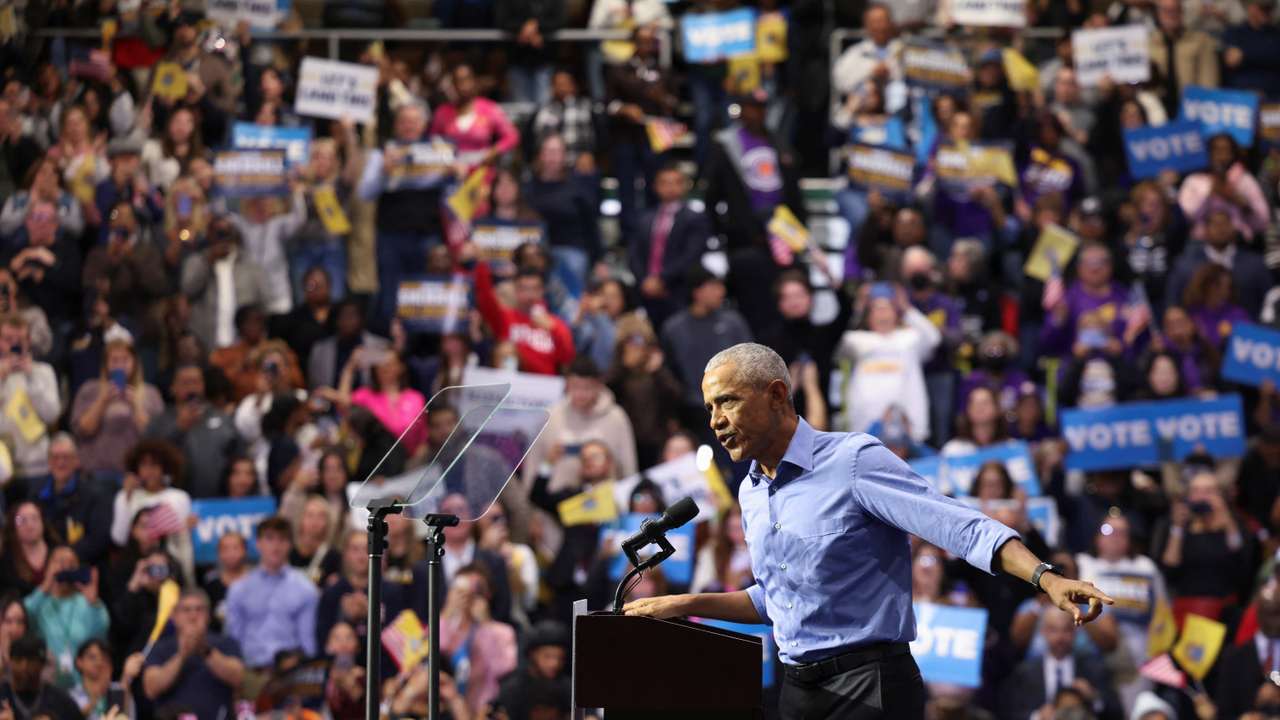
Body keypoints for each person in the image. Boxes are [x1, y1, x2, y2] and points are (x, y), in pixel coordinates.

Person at [623, 343, 1114, 719]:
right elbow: (778, 601)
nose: (715, 422)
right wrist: (682, 605)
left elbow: (959, 527)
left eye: (726, 402)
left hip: (869, 686)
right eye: (710, 408)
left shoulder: (853, 461)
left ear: (775, 395)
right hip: (796, 691)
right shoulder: (752, 491)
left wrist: (1047, 578)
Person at [838, 283, 941, 442]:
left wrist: (907, 308)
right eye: (876, 309)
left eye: (887, 308)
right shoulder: (856, 339)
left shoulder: (910, 338)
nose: (882, 313)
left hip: (908, 423)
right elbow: (837, 344)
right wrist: (858, 309)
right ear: (869, 316)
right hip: (865, 425)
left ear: (896, 314)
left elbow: (934, 338)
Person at [523, 356, 638, 493]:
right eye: (575, 387)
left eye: (587, 388)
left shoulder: (616, 418)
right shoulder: (552, 416)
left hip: (606, 500)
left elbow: (629, 466)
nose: (580, 394)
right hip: (557, 498)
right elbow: (534, 463)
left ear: (599, 385)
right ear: (567, 385)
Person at [659, 268, 753, 431]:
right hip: (693, 413)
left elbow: (751, 363)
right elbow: (669, 372)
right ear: (697, 292)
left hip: (734, 409)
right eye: (714, 286)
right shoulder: (673, 329)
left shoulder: (733, 322)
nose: (721, 292)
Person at [223, 516, 319, 670]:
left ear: (290, 545)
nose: (276, 546)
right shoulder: (239, 589)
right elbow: (233, 640)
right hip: (248, 671)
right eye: (269, 538)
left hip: (291, 671)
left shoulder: (305, 589)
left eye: (282, 539)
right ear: (258, 543)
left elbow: (307, 642)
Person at [626, 164, 710, 330]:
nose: (670, 187)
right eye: (664, 183)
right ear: (656, 187)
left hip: (678, 290)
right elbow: (634, 253)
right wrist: (644, 281)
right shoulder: (644, 218)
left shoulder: (695, 218)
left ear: (684, 185)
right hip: (645, 291)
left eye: (676, 182)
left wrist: (662, 279)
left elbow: (691, 255)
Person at [997, 610, 1122, 720]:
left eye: (1066, 630)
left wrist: (1094, 698)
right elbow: (1007, 712)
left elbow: (1117, 713)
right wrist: (1037, 716)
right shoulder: (1024, 672)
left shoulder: (1094, 669)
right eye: (1053, 630)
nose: (1060, 637)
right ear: (1043, 632)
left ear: (1075, 631)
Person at [142, 588, 244, 720]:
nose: (193, 616)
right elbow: (151, 689)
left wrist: (205, 650)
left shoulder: (225, 643)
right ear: (174, 616)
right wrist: (181, 656)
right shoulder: (161, 647)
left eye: (199, 609)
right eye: (186, 610)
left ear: (208, 615)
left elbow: (238, 678)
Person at [144, 363, 241, 499]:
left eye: (196, 382)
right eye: (185, 383)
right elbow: (148, 457)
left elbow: (238, 455)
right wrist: (179, 429)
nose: (192, 388)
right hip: (172, 501)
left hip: (217, 501)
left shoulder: (222, 418)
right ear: (173, 388)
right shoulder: (159, 421)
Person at [70, 340, 164, 475]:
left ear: (134, 362)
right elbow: (83, 430)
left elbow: (154, 436)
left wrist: (136, 406)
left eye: (125, 360)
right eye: (114, 360)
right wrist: (102, 401)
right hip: (96, 472)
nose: (120, 365)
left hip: (137, 474)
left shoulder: (151, 393)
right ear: (106, 364)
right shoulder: (89, 389)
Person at [109, 439, 195, 584]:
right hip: (136, 566)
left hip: (172, 565)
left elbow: (183, 540)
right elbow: (119, 538)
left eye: (154, 465)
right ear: (136, 469)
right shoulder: (124, 497)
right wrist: (127, 497)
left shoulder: (179, 497)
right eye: (144, 465)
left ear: (164, 468)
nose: (149, 471)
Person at [180, 216, 271, 352]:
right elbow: (188, 289)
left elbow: (265, 302)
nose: (222, 237)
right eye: (218, 232)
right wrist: (209, 261)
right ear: (209, 234)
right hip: (206, 344)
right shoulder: (196, 261)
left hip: (245, 347)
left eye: (226, 232)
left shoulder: (250, 265)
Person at [25, 546, 110, 690]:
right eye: (59, 561)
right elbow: (24, 615)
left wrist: (93, 603)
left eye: (70, 564)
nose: (64, 567)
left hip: (82, 686)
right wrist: (45, 586)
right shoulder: (41, 602)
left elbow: (101, 634)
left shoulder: (86, 602)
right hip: (47, 684)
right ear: (48, 567)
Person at [29, 434, 113, 570]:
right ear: (48, 461)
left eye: (66, 457)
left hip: (84, 563)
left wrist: (69, 554)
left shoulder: (95, 494)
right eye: (55, 457)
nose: (60, 463)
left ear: (76, 461)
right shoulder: (36, 493)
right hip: (45, 563)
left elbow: (99, 538)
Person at [0, 313, 61, 487]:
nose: (14, 344)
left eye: (20, 339)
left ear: (28, 341)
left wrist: (31, 377)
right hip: (2, 469)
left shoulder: (43, 372)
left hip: (37, 467)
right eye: (8, 339)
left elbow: (51, 414)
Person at [1148, 0, 1220, 116]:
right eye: (1166, 11)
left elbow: (1209, 82)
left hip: (1193, 109)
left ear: (1182, 12)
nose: (1171, 15)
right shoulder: (1148, 44)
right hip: (1156, 111)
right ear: (1157, 14)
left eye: (1175, 10)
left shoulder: (1201, 41)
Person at [0, 633, 85, 720]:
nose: (24, 667)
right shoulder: (2, 694)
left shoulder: (60, 701)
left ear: (42, 664)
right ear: (10, 662)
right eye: (18, 660)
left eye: (31, 661)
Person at [70, 639, 143, 720]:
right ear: (79, 662)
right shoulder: (72, 696)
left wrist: (126, 680)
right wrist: (96, 695)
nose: (98, 662)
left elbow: (126, 715)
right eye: (92, 657)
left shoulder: (119, 688)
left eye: (104, 658)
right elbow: (73, 716)